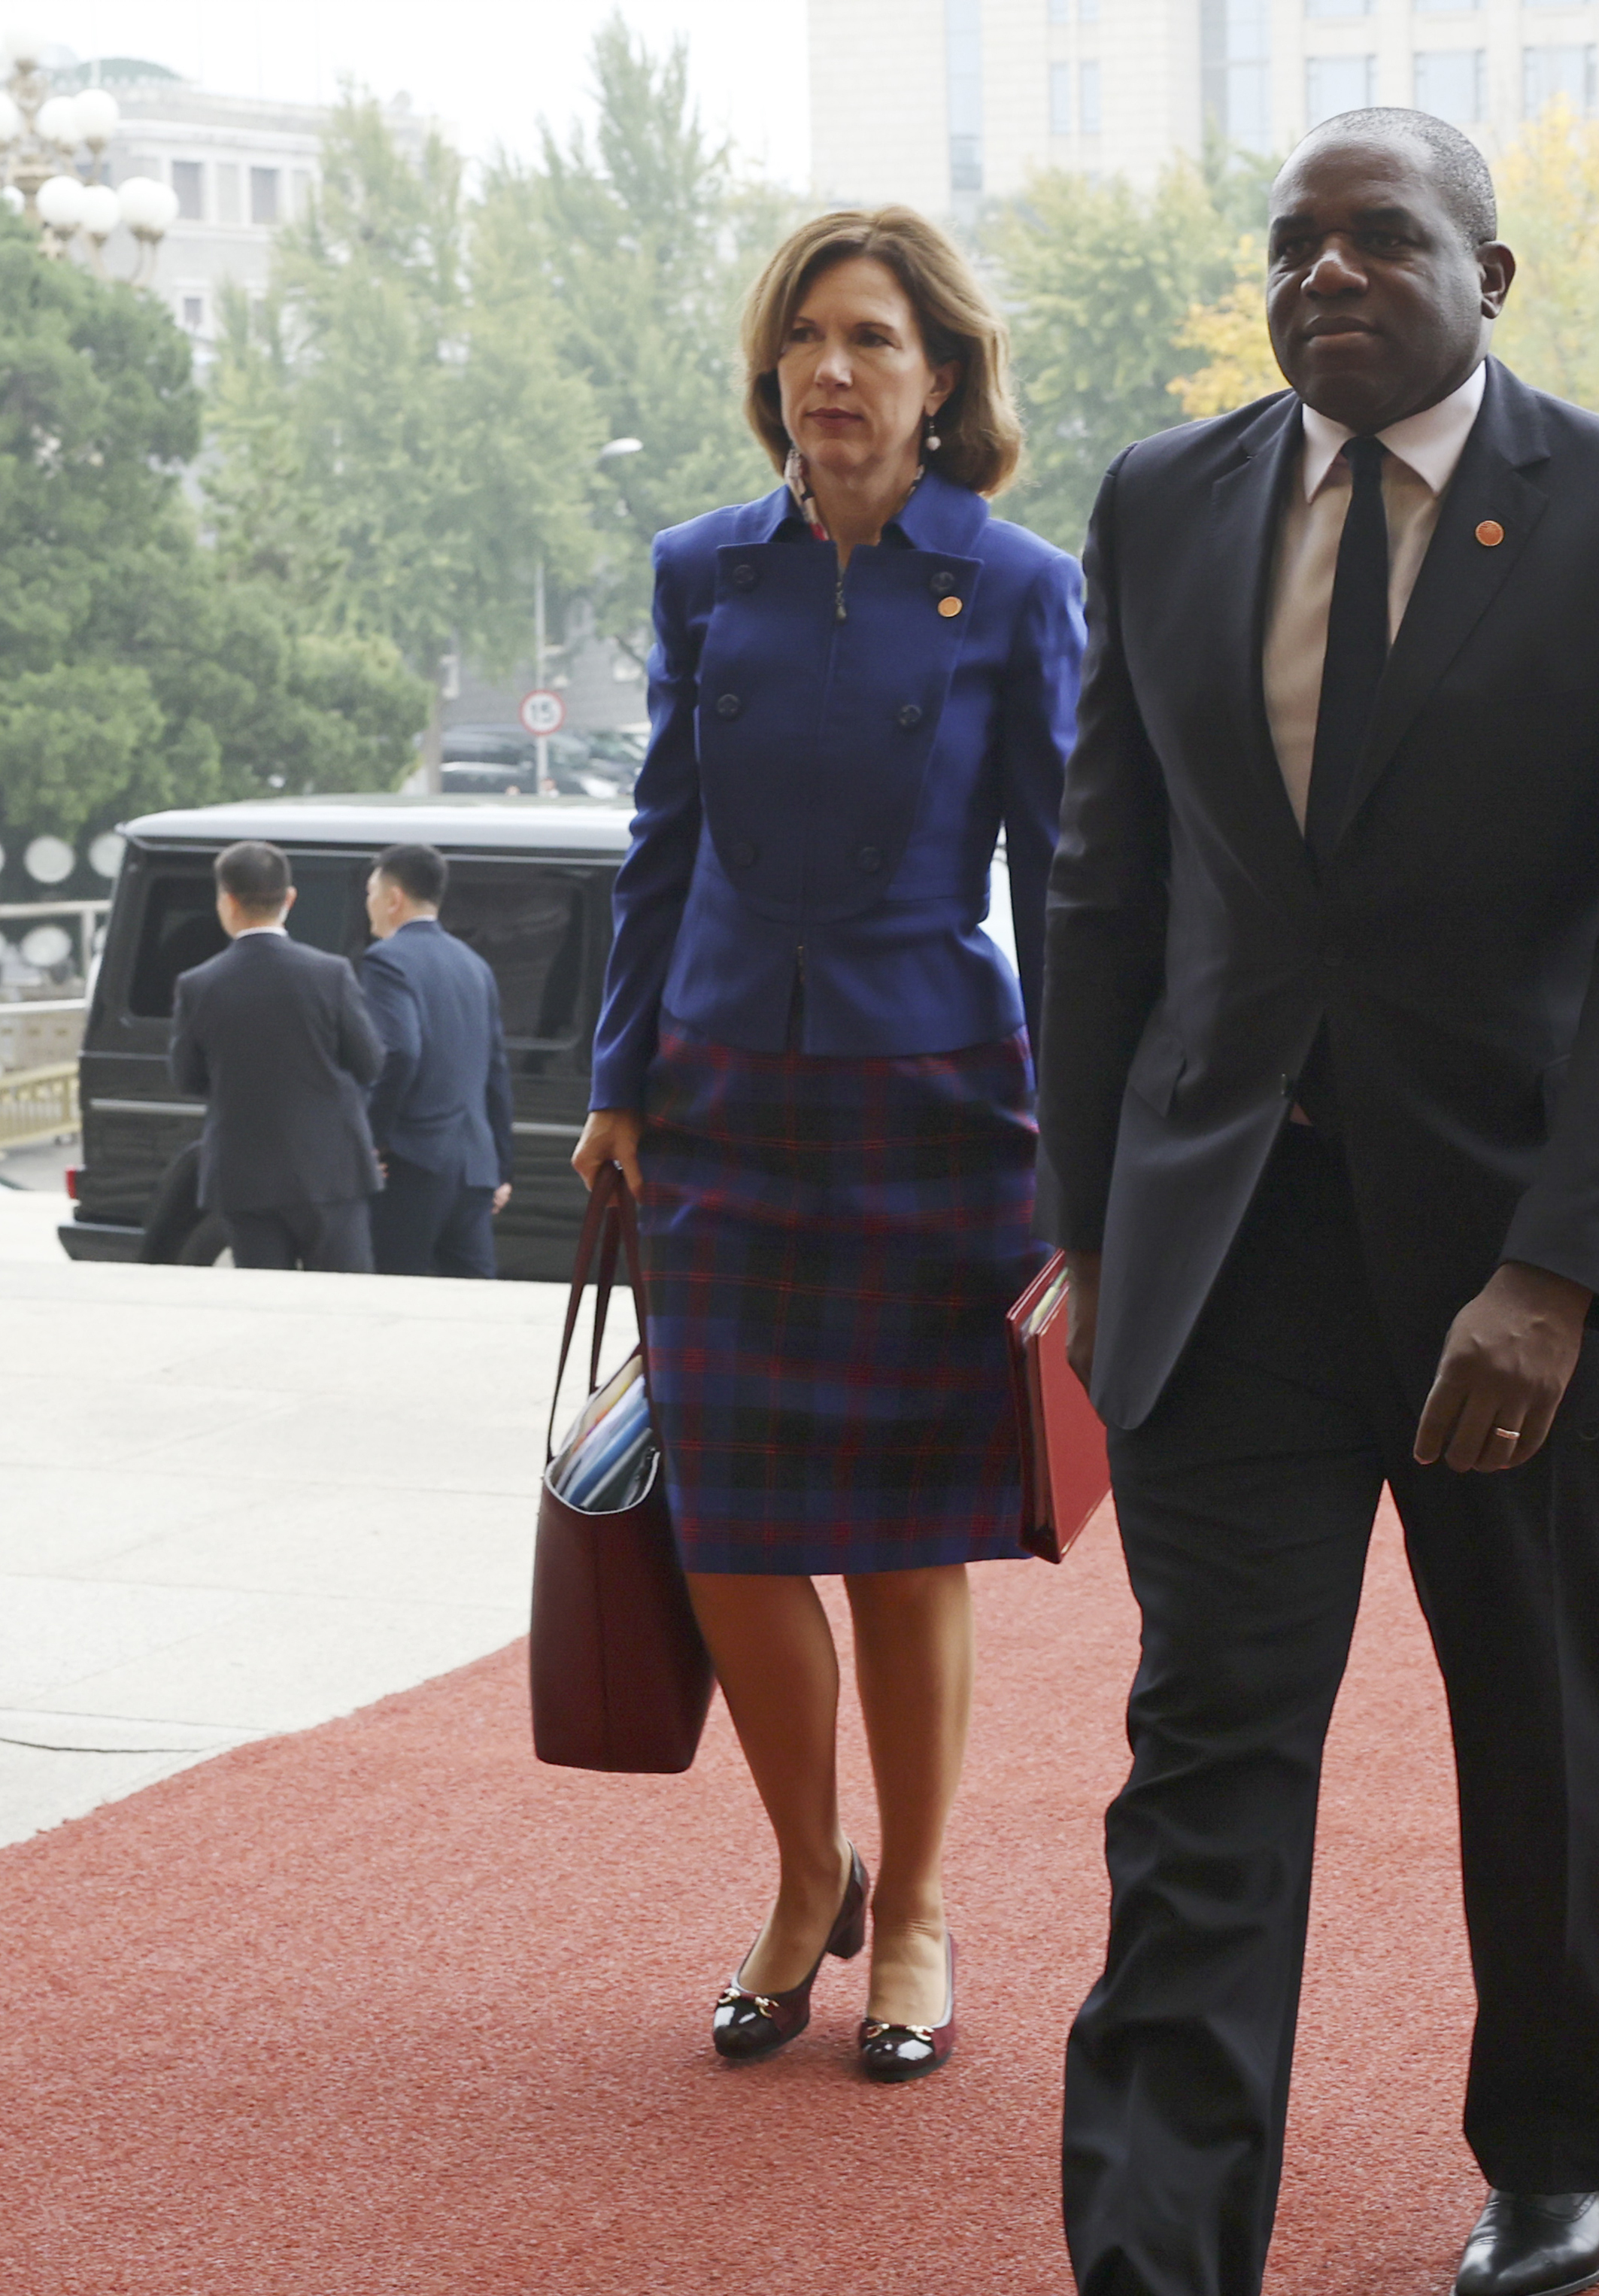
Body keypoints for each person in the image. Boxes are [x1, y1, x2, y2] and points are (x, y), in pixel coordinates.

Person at [988, 110, 1599, 2296]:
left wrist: (1559, 1267)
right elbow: (1103, 891)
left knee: (1530, 1717)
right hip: (1230, 1242)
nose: (1327, 272)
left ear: (1486, 271)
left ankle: (1552, 2135)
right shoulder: (1160, 504)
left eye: (1380, 237)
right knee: (1205, 1747)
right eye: (1293, 242)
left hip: (1514, 1262)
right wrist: (1091, 1215)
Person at [569, 208, 1076, 2082]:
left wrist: (1080, 1146)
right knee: (730, 1523)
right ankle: (808, 1878)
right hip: (716, 1098)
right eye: (803, 337)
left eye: (869, 337)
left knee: (902, 1535)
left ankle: (919, 1911)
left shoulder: (1017, 588)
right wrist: (617, 1085)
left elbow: (1067, 875)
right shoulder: (704, 570)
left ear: (939, 378)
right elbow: (659, 841)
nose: (831, 371)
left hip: (934, 1101)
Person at [166, 840, 384, 1271]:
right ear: (289, 899)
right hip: (331, 1170)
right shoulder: (330, 974)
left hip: (243, 1175)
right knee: (343, 1304)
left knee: (266, 1305)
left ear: (226, 901)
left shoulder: (198, 985)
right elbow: (370, 1063)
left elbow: (187, 1079)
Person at [356, 843, 516, 1280]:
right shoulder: (474, 965)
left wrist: (371, 1140)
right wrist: (500, 1166)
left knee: (399, 1301)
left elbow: (400, 1052)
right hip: (474, 1168)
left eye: (371, 893)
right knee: (471, 1306)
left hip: (413, 1165)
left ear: (393, 898)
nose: (368, 905)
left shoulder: (387, 961)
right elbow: (495, 1072)